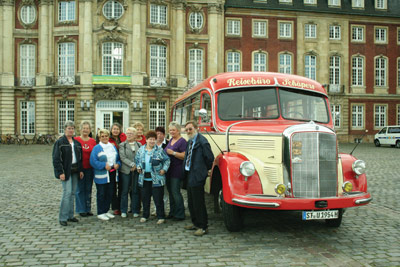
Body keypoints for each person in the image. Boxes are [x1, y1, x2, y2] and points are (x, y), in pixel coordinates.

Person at [182, 120, 214, 236]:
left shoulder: (202, 142)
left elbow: (209, 158)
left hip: (197, 175)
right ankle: (195, 223)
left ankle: (203, 226)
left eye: (190, 129)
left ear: (196, 129)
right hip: (189, 174)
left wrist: (205, 171)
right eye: (187, 130)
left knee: (198, 202)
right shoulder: (190, 141)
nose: (188, 131)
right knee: (191, 201)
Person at [52, 120, 84, 226]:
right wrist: (60, 172)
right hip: (66, 171)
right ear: (65, 129)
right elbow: (56, 159)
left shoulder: (77, 143)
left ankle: (70, 215)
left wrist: (80, 170)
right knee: (67, 193)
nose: (71, 130)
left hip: (75, 170)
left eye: (72, 128)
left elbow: (80, 158)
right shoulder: (60, 142)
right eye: (69, 128)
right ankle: (63, 217)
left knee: (72, 193)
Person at [135, 131, 170, 224]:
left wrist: (164, 169)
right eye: (150, 139)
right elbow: (137, 160)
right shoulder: (141, 150)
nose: (152, 141)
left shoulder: (160, 150)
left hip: (157, 178)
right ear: (146, 140)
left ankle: (161, 216)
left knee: (158, 199)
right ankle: (145, 215)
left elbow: (167, 161)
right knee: (145, 198)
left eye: (154, 139)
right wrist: (138, 167)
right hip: (144, 178)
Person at [90, 129, 121, 221]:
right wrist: (103, 165)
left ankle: (106, 210)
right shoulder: (97, 148)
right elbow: (93, 161)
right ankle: (100, 212)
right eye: (102, 136)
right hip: (102, 175)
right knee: (101, 193)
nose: (104, 138)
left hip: (112, 173)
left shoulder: (112, 147)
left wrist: (118, 164)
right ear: (99, 138)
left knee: (109, 193)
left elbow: (118, 158)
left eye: (106, 136)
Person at [164, 122, 187, 221]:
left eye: (174, 130)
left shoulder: (182, 141)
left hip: (176, 170)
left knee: (175, 192)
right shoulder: (171, 140)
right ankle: (172, 212)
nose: (172, 132)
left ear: (178, 130)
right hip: (168, 170)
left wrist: (173, 153)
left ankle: (180, 213)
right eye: (170, 130)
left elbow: (184, 156)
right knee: (170, 192)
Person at [74, 121, 97, 217]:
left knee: (88, 189)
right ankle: (81, 209)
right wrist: (79, 169)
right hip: (80, 168)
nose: (85, 130)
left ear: (90, 130)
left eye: (87, 128)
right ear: (80, 129)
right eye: (83, 128)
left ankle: (88, 208)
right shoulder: (75, 140)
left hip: (90, 168)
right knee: (80, 189)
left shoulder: (93, 141)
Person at [119, 127, 141, 218]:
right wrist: (132, 164)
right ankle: (123, 210)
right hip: (126, 171)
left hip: (136, 171)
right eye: (127, 133)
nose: (129, 135)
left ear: (135, 135)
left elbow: (141, 156)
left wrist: (136, 165)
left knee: (135, 191)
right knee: (124, 191)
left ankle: (135, 209)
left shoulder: (139, 145)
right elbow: (123, 157)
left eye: (131, 133)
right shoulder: (122, 145)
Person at [109, 122, 126, 215]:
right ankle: (115, 206)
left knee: (121, 187)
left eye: (117, 129)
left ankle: (120, 206)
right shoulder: (108, 139)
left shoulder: (122, 139)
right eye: (114, 129)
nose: (115, 130)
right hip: (112, 166)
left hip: (122, 165)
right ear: (111, 130)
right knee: (112, 188)